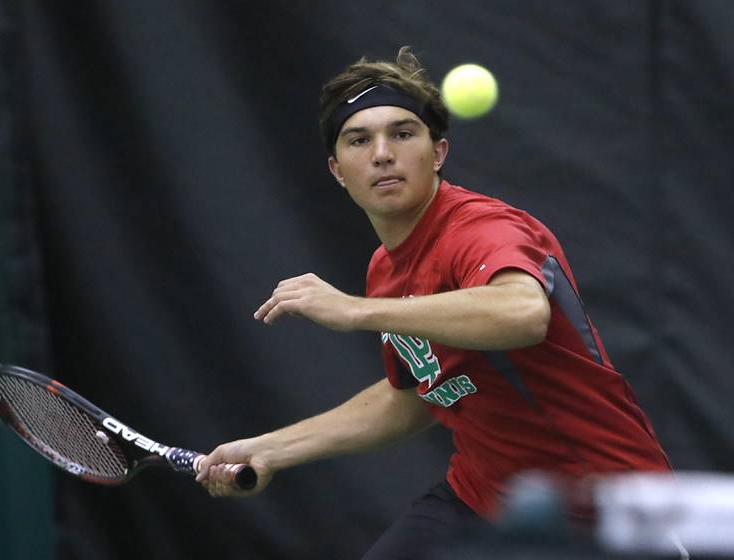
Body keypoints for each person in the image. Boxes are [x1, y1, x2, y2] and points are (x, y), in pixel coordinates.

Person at [195, 47, 671, 558]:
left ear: (437, 153)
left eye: (401, 133)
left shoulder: (483, 229)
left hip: (601, 509)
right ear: (337, 170)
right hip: (478, 498)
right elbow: (412, 397)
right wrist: (271, 450)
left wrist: (356, 311)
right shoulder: (386, 266)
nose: (381, 153)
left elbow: (523, 313)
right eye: (359, 139)